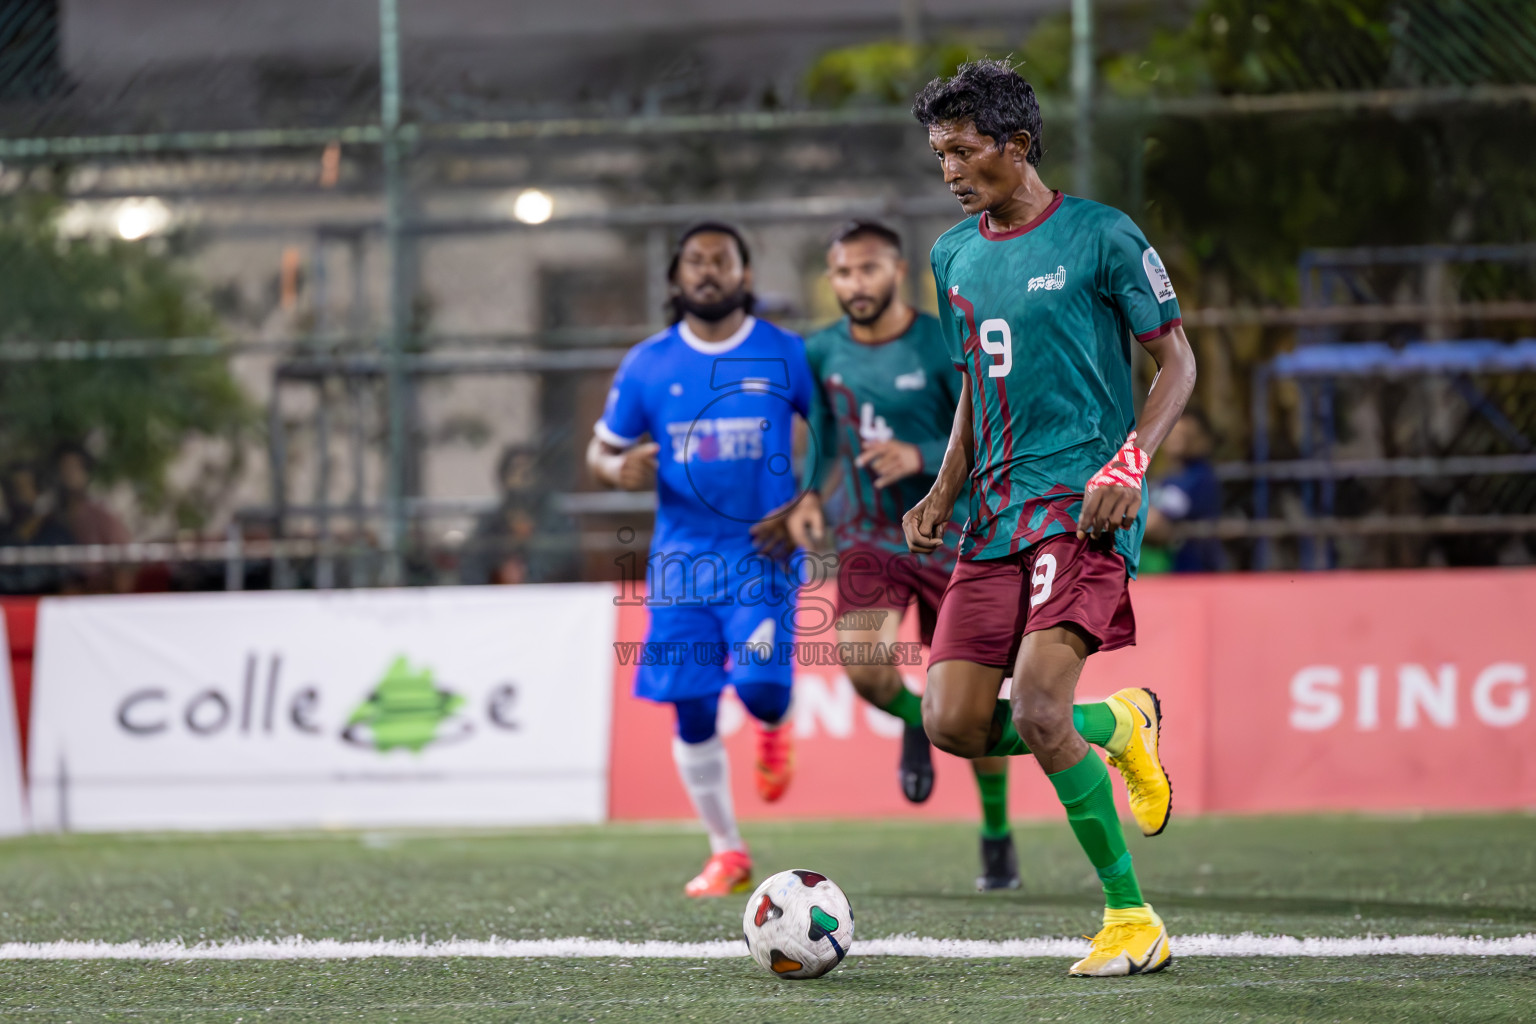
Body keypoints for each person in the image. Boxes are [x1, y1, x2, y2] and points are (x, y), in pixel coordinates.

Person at [903, 59, 1197, 977]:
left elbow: (1178, 364)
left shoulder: (1104, 236)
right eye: (937, 155)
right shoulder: (953, 254)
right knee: (949, 723)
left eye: (961, 151)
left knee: (1034, 705)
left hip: (1081, 508)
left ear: (1016, 145)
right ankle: (1119, 726)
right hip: (989, 518)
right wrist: (946, 486)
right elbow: (972, 386)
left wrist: (1129, 459)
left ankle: (1129, 917)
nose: (948, 171)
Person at [764, 218, 1023, 890]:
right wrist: (808, 497)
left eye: (868, 270)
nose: (856, 284)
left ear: (897, 271)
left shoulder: (943, 343)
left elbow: (993, 433)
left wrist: (924, 457)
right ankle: (916, 722)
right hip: (869, 535)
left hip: (956, 535)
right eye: (844, 273)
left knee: (971, 707)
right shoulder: (820, 351)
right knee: (868, 673)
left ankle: (996, 835)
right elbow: (818, 432)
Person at [587, 221, 813, 898]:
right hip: (681, 565)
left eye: (722, 261)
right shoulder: (647, 365)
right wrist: (615, 468)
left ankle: (775, 725)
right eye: (695, 261)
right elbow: (601, 453)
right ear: (675, 279)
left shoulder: (786, 353)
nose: (708, 271)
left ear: (745, 275)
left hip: (762, 556)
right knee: (689, 708)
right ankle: (728, 851)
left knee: (760, 691)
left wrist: (809, 500)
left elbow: (834, 432)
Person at [460, 445, 579, 585]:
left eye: (528, 472)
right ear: (504, 477)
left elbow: (564, 558)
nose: (522, 478)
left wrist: (526, 572)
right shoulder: (493, 518)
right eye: (515, 471)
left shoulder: (554, 515)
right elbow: (472, 563)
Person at [1144, 409, 1223, 573]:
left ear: (1204, 440)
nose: (1177, 439)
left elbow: (1151, 524)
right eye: (1174, 432)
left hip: (1194, 574)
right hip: (1166, 575)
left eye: (1186, 435)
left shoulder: (1200, 478)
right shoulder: (1166, 478)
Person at [52, 443, 133, 594]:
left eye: (74, 468)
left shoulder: (101, 515)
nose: (69, 475)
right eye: (64, 468)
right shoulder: (53, 517)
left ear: (87, 473)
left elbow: (125, 566)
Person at [0, 460, 75, 596]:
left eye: (24, 487)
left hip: (47, 606)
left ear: (37, 491)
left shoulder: (56, 532)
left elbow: (67, 578)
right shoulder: (3, 532)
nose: (19, 494)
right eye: (14, 488)